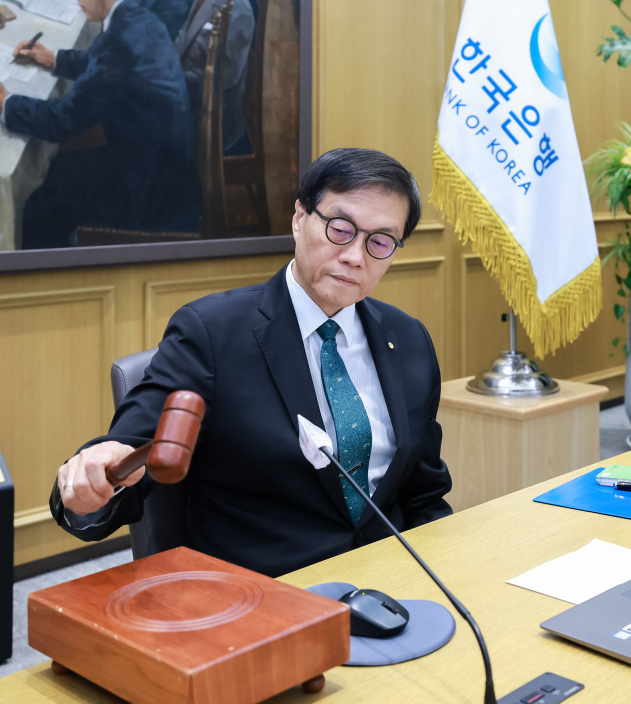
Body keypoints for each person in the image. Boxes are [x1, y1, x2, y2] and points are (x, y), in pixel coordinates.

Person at [48, 148, 453, 577]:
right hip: (266, 593)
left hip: (389, 579)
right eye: (340, 228)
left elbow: (424, 493)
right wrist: (97, 472)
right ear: (299, 218)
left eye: (380, 241)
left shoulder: (408, 339)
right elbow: (134, 448)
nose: (356, 256)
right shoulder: (210, 333)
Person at [0, 0, 198, 249]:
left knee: (40, 201)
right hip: (167, 167)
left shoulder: (116, 41)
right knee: (59, 169)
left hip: (147, 188)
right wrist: (54, 58)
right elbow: (104, 65)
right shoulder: (138, 17)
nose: (77, 2)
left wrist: (7, 103)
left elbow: (63, 121)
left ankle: (54, 278)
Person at [175, 0, 256, 152]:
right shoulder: (197, 3)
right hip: (185, 107)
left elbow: (227, 75)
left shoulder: (238, 7)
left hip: (213, 122)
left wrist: (176, 83)